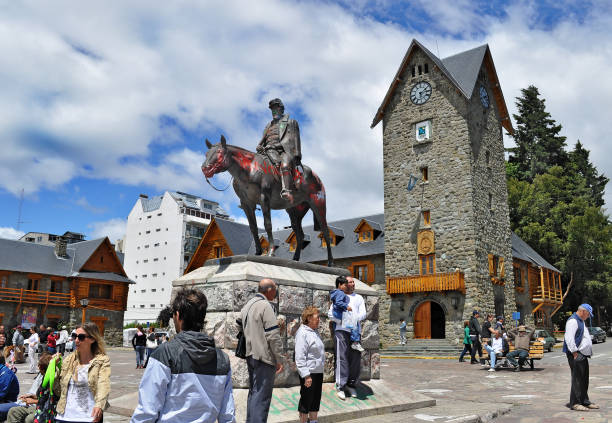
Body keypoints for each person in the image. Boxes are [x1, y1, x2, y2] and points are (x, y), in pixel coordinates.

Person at [131, 288, 235, 423]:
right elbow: (227, 415)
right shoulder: (222, 359)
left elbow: (147, 411)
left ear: (178, 316)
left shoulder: (164, 354)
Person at [240, 278, 284, 423]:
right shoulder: (266, 306)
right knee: (262, 398)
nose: (276, 292)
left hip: (250, 355)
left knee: (254, 395)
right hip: (264, 358)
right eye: (275, 289)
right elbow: (273, 335)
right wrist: (279, 358)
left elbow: (240, 327)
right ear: (270, 290)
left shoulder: (248, 305)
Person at [55, 322, 111, 423]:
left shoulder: (102, 360)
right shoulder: (68, 360)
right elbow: (57, 388)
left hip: (89, 417)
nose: (76, 340)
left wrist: (99, 405)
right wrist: (53, 368)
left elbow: (104, 384)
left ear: (92, 339)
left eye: (81, 337)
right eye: (74, 336)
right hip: (64, 416)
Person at [328, 276, 366, 400]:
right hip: (341, 330)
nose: (352, 284)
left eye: (353, 282)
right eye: (350, 282)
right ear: (343, 284)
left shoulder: (359, 298)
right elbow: (331, 314)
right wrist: (344, 320)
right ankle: (341, 386)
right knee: (342, 357)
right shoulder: (338, 295)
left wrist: (353, 319)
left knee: (355, 358)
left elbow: (363, 313)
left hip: (354, 331)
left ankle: (351, 384)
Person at [256, 98, 302, 201]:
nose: (273, 111)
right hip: (267, 151)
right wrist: (260, 146)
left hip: (284, 151)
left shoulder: (290, 122)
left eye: (276, 108)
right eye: (272, 109)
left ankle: (286, 190)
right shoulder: (268, 126)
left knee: (284, 165)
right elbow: (265, 140)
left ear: (281, 109)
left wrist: (297, 156)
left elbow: (295, 139)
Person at [563, 304, 598, 411]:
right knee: (577, 379)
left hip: (582, 354)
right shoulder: (573, 321)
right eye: (588, 314)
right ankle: (575, 403)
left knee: (584, 379)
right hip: (577, 354)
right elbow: (569, 338)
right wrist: (574, 353)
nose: (588, 316)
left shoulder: (581, 321)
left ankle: (584, 401)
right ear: (583, 311)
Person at [295, 306, 324, 423]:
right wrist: (306, 375)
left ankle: (313, 421)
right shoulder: (302, 333)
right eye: (317, 317)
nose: (319, 320)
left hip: (318, 372)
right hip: (309, 373)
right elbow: (300, 356)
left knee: (315, 401)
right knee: (306, 401)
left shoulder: (315, 332)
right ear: (309, 318)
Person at [1, 353, 51, 423]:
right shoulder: (43, 376)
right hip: (31, 404)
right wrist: (32, 396)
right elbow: (43, 395)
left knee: (29, 419)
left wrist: (33, 401)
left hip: (41, 407)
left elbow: (50, 400)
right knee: (13, 411)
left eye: (39, 366)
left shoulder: (51, 380)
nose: (38, 367)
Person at [330, 277, 363, 352]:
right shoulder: (340, 293)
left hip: (337, 313)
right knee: (354, 324)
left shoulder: (336, 292)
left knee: (352, 324)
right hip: (339, 313)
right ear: (339, 285)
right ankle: (355, 342)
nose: (346, 286)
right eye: (345, 285)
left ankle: (354, 340)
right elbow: (338, 302)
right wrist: (347, 306)